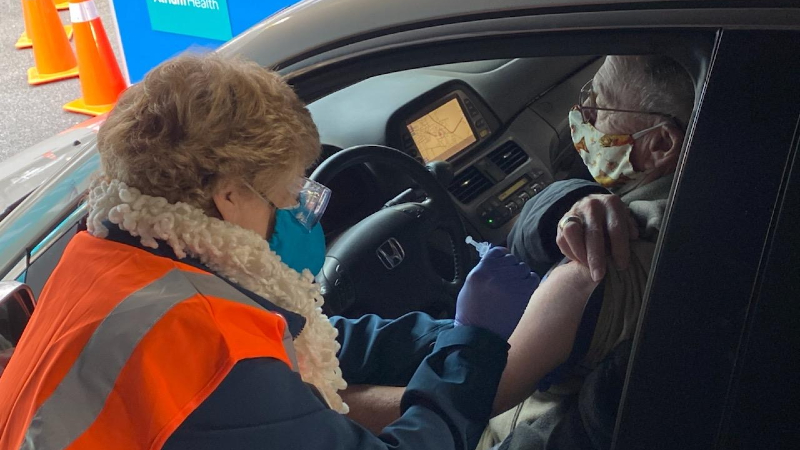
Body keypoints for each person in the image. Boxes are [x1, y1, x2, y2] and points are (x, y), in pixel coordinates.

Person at [0, 53, 584, 450]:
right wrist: (471, 349)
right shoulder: (207, 344)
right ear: (229, 197)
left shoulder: (113, 257)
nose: (303, 207)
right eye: (292, 189)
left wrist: (441, 333)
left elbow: (296, 335)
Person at [484, 54, 695, 449]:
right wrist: (570, 201)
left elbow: (469, 399)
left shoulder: (607, 260)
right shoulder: (689, 201)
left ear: (661, 144)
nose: (582, 113)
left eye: (600, 105)